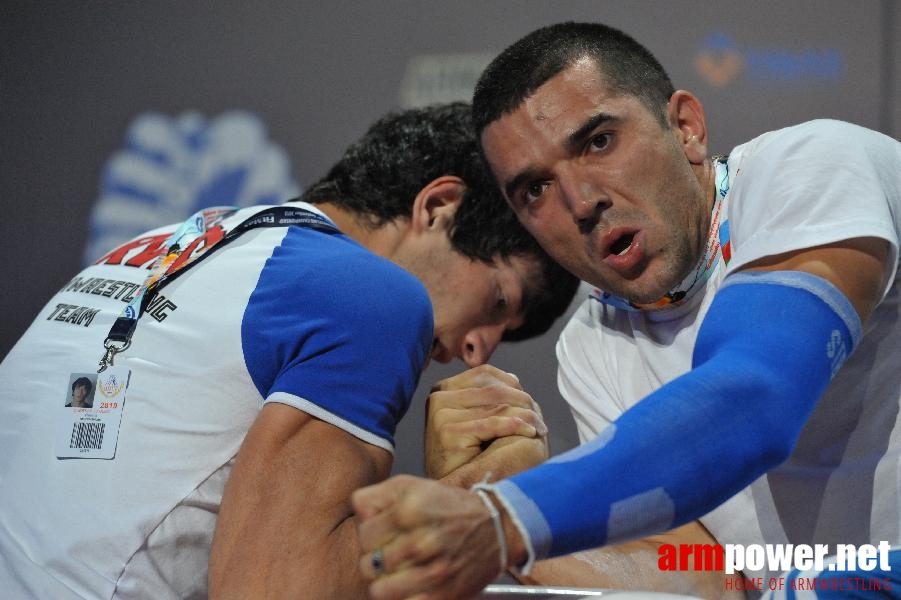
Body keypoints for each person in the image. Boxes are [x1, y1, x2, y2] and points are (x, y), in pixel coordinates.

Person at [351, 21, 901, 600]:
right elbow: (711, 575)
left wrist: (504, 518)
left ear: (685, 127)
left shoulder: (813, 165)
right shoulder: (591, 343)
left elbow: (755, 398)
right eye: (535, 189)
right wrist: (482, 495)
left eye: (598, 142)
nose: (582, 202)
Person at [0, 102, 578, 599]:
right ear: (438, 208)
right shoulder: (371, 294)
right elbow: (273, 592)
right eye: (499, 299)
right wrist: (485, 494)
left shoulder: (173, 244)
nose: (478, 351)